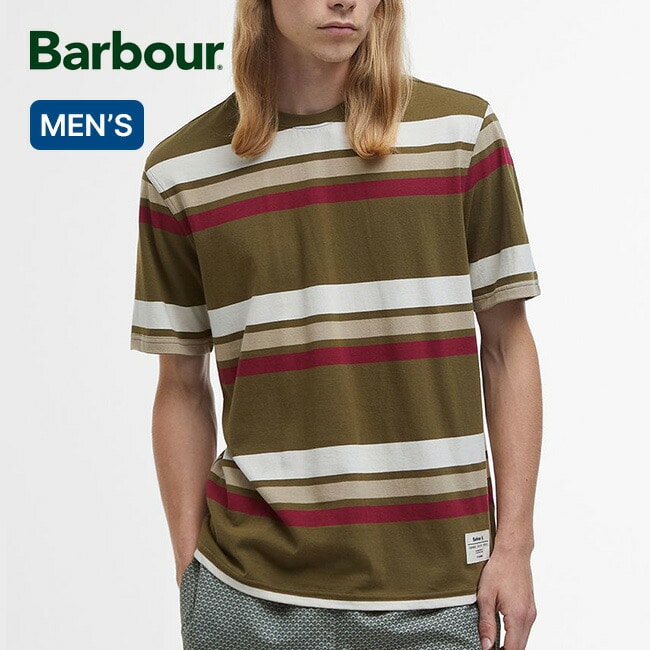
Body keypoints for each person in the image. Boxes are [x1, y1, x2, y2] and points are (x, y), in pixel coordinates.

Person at [130, 1, 543, 648]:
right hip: (249, 596)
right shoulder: (183, 171)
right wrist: (193, 579)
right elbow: (180, 385)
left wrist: (514, 545)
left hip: (444, 591)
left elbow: (507, 347)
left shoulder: (460, 134)